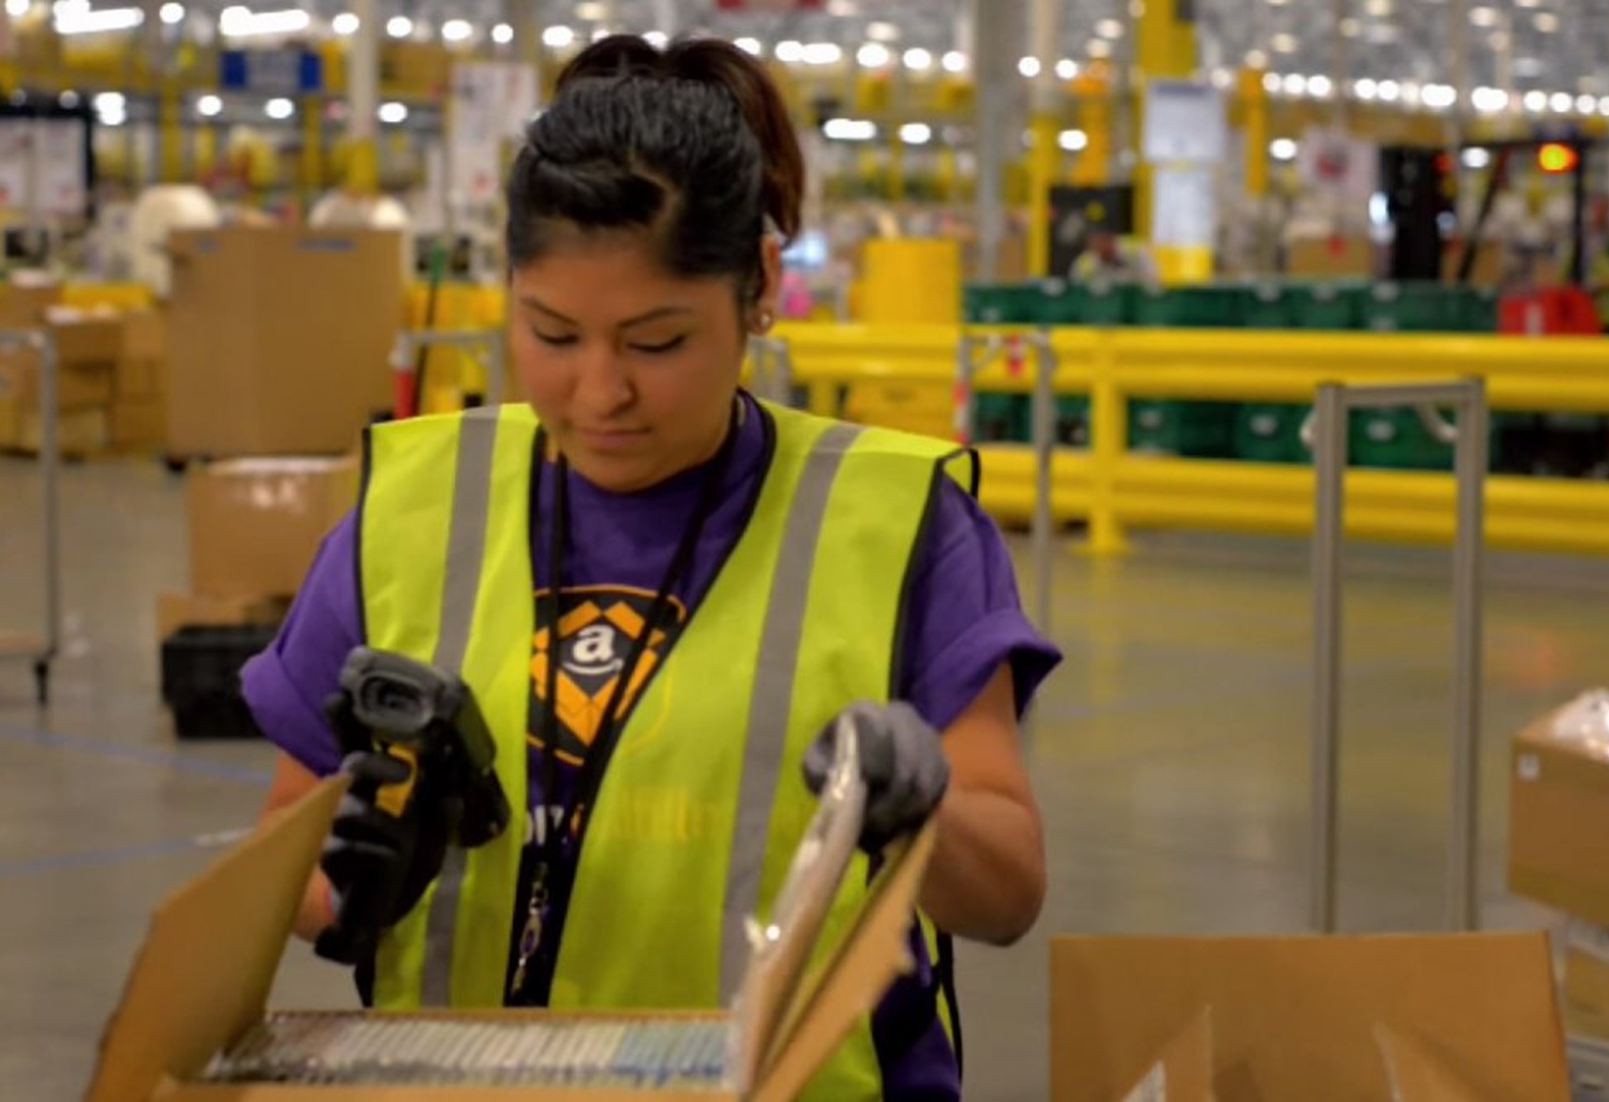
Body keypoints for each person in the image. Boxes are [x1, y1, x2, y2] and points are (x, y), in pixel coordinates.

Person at [244, 34, 1059, 1101]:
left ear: (759, 289)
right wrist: (350, 889)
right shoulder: (417, 506)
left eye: (656, 342)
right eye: (552, 335)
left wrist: (921, 817)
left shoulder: (897, 522)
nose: (600, 393)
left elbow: (1007, 894)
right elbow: (286, 857)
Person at [1069, 226, 1158, 287]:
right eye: (1095, 244)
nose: (1101, 247)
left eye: (1104, 241)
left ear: (1111, 239)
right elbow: (1077, 292)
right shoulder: (1084, 264)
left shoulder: (1135, 250)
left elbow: (1153, 281)